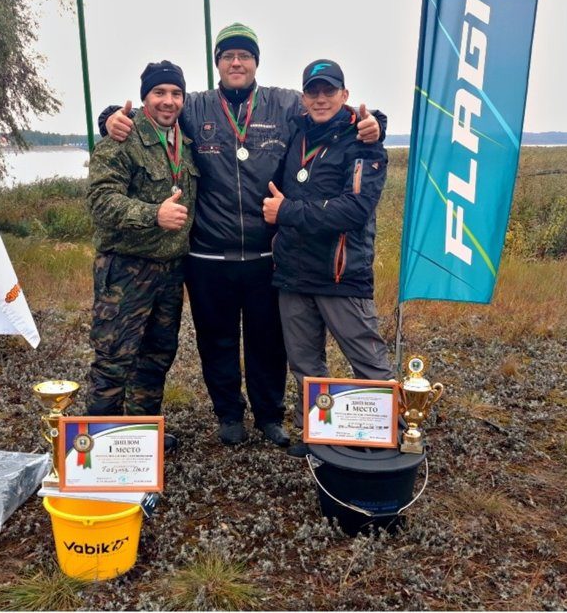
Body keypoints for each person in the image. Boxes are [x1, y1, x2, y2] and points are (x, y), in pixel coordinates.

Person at [100, 24, 384, 449]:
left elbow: (335, 113)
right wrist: (108, 117)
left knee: (268, 343)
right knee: (217, 342)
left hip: (267, 255)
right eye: (228, 55)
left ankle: (271, 416)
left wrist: (376, 122)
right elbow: (150, 110)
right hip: (208, 257)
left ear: (256, 62)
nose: (237, 62)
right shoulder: (194, 106)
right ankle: (228, 415)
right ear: (217, 64)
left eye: (245, 55)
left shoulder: (286, 103)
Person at [262, 59, 394, 458]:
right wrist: (111, 117)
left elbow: (354, 211)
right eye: (313, 91)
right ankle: (317, 434)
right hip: (293, 274)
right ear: (303, 97)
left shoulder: (363, 144)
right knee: (305, 364)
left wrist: (286, 213)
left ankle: (391, 433)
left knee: (367, 360)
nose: (321, 99)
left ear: (345, 96)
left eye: (329, 91)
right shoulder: (294, 131)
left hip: (341, 275)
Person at [84, 60, 198, 453]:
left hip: (170, 273)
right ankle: (97, 449)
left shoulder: (186, 139)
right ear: (145, 97)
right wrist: (154, 214)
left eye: (176, 93)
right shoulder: (121, 138)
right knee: (114, 359)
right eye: (159, 93)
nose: (169, 101)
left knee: (156, 358)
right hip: (126, 270)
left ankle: (138, 441)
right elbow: (101, 201)